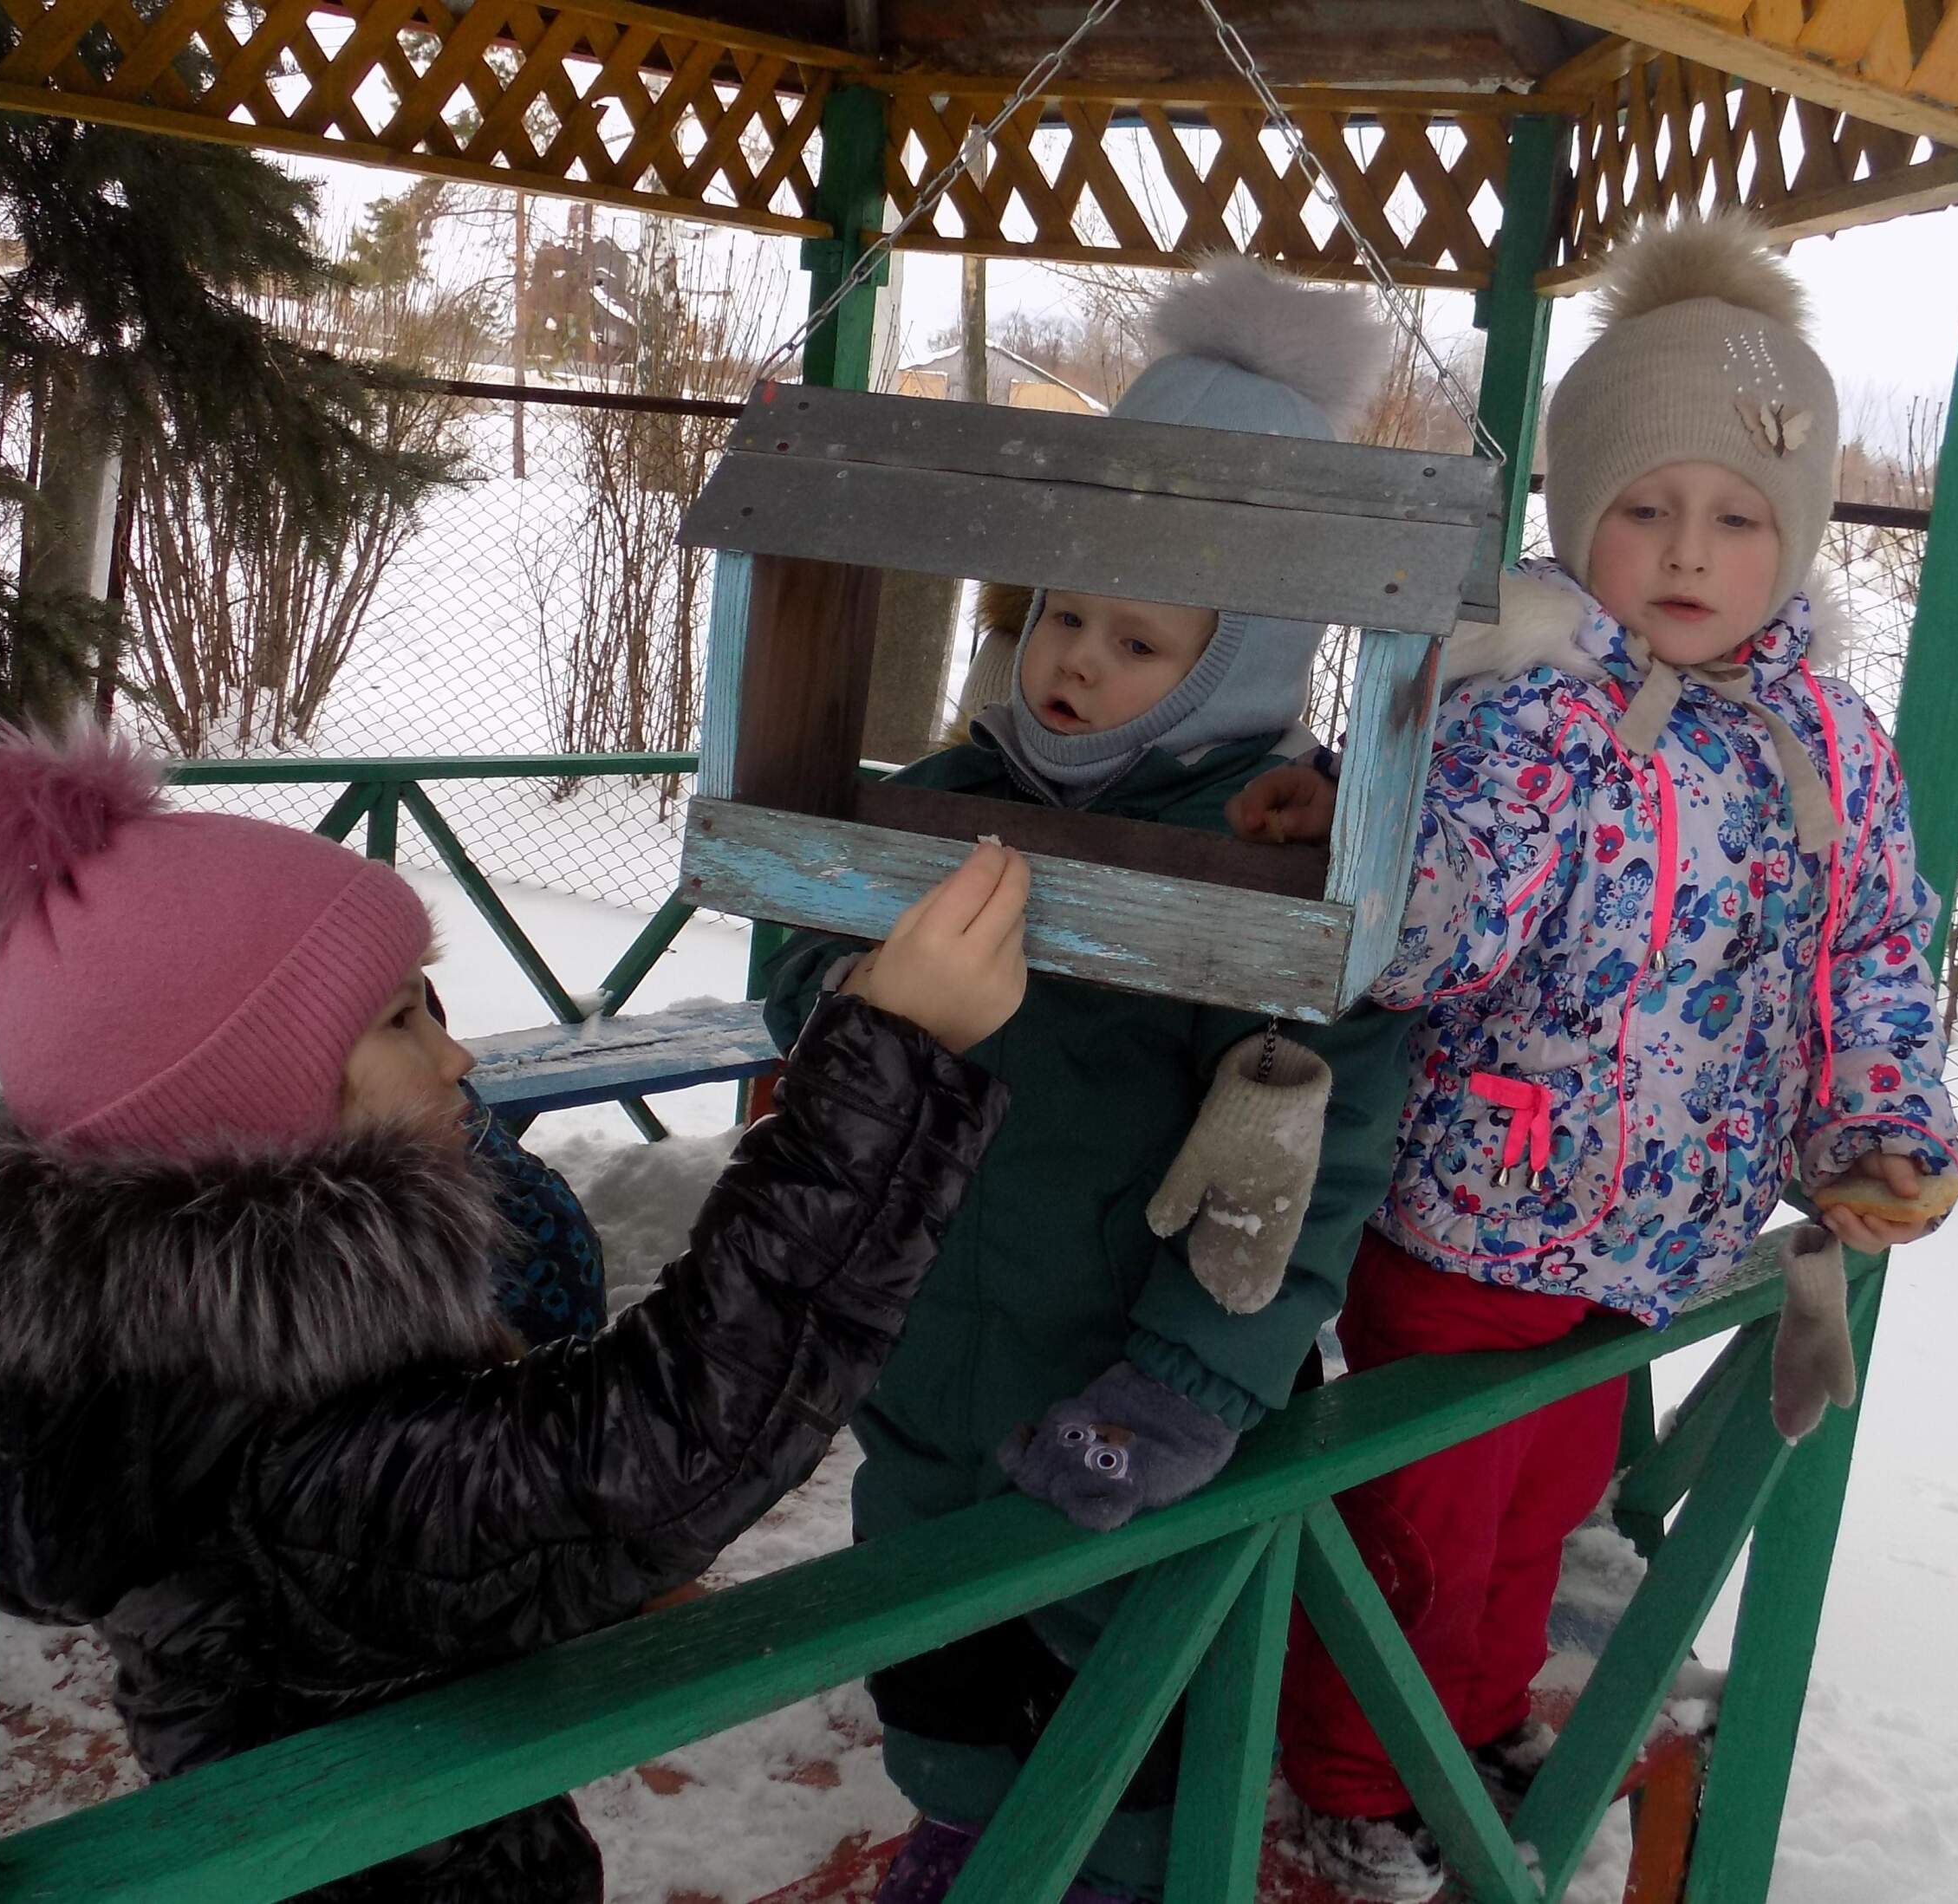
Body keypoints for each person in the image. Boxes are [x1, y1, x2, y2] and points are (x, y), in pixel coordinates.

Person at [1226, 214, 1958, 1901]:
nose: (1686, 550)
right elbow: (1444, 909)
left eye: (1733, 516)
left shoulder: (1829, 748)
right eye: (1642, 507)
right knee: (1417, 1524)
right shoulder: (1522, 706)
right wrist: (1371, 853)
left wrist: (1876, 1120)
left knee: (1535, 1512)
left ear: (1792, 538)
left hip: (1656, 1236)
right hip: (1475, 1211)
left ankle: (1461, 1722)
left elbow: (1868, 951)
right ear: (1576, 517)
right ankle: (1347, 1771)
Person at [0, 723, 1030, 1903]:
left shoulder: (192, 1357)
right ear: (248, 1103)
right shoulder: (285, 1445)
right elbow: (656, 1446)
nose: (459, 1050)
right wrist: (885, 1072)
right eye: (397, 1021)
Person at [760, 257, 1421, 1904]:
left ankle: (1120, 1865)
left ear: (1240, 652)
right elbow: (799, 931)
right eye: (1063, 613)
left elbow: (1305, 1166)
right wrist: (840, 984)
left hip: (1120, 1367)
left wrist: (1191, 1384)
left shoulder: (1269, 855)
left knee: (1124, 1647)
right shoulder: (946, 791)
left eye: (1141, 637)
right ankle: (969, 1822)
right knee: (933, 1623)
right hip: (923, 1344)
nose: (1077, 660)